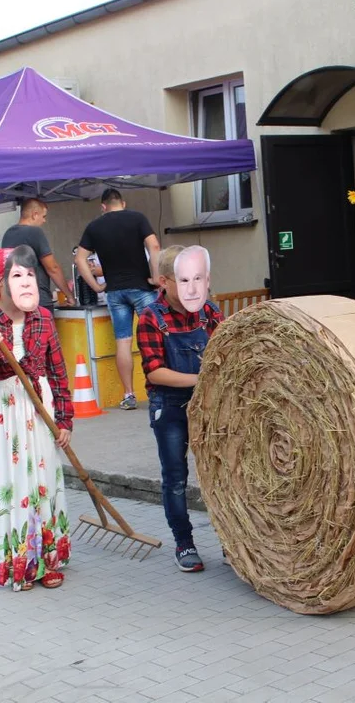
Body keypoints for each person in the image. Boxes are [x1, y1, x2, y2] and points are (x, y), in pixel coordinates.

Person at [0, 245, 73, 592]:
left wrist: (64, 420)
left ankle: (49, 558)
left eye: (30, 274)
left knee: (45, 477)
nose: (26, 281)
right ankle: (23, 561)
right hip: (9, 410)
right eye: (16, 275)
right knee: (17, 484)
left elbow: (58, 371)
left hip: (39, 404)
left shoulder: (44, 317)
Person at [136, 245, 224, 572]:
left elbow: (225, 354)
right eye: (184, 279)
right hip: (169, 407)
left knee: (221, 473)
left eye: (198, 279)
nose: (193, 288)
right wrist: (200, 379)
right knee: (175, 478)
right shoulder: (150, 318)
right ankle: (184, 543)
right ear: (164, 282)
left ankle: (233, 540)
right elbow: (155, 371)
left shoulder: (210, 313)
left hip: (207, 405)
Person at [77, 188, 162, 411]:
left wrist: (96, 285)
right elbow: (154, 246)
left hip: (115, 292)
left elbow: (80, 258)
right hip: (143, 288)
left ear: (103, 206)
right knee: (153, 340)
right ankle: (158, 391)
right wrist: (155, 276)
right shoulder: (137, 218)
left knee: (123, 342)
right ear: (122, 203)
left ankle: (129, 395)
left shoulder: (94, 226)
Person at [0, 198, 77, 316]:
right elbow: (53, 268)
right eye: (43, 216)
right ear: (35, 214)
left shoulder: (8, 234)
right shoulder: (34, 232)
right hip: (38, 299)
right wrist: (69, 295)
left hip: (15, 300)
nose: (44, 221)